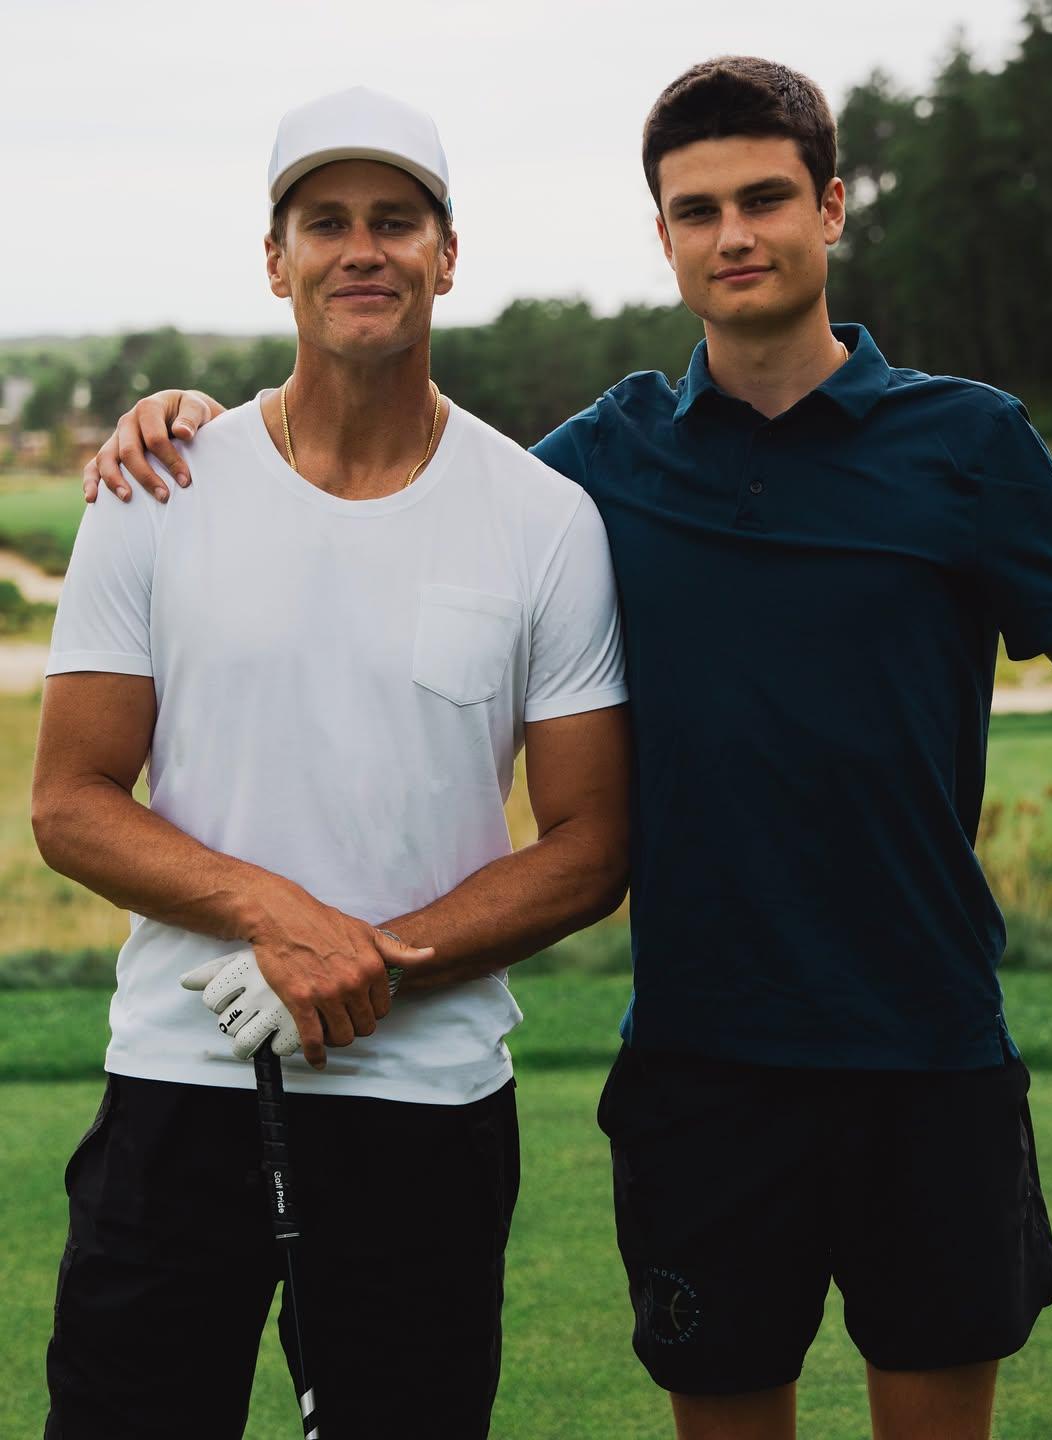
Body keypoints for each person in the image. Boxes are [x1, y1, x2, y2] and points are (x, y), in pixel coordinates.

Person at [86, 56, 1052, 1440]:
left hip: (931, 1050)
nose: (734, 234)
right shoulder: (599, 467)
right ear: (662, 235)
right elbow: (400, 486)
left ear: (834, 207)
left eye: (767, 199)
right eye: (697, 209)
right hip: (705, 1063)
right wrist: (193, 423)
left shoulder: (969, 444)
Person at [34, 83, 631, 1440]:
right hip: (181, 1085)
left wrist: (374, 962)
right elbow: (70, 803)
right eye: (325, 221)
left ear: (448, 254)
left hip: (427, 1105)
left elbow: (591, 844)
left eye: (397, 219)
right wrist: (279, 917)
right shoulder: (158, 488)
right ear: (276, 259)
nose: (362, 247)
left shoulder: (544, 519)